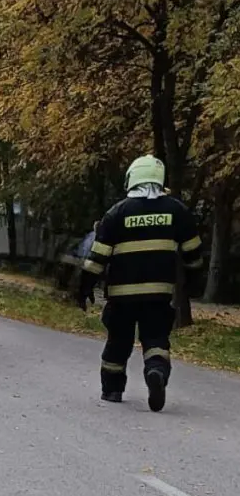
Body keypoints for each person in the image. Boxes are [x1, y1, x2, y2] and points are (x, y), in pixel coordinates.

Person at [77, 155, 203, 412]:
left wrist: (85, 287)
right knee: (156, 339)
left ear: (132, 179)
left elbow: (96, 258)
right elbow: (194, 254)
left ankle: (112, 389)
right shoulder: (176, 211)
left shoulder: (117, 213)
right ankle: (155, 371)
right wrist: (192, 282)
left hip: (121, 296)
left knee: (118, 342)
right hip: (159, 293)